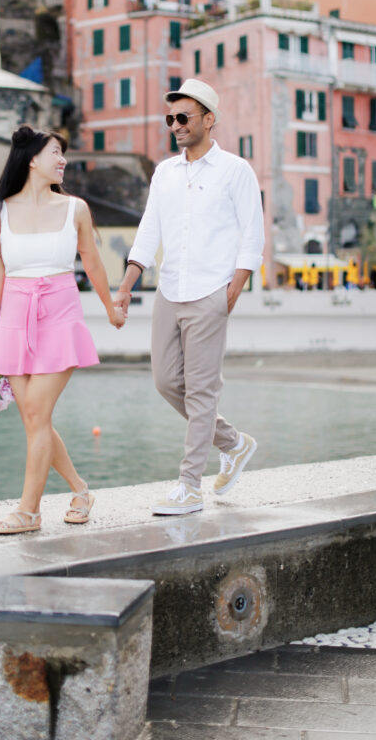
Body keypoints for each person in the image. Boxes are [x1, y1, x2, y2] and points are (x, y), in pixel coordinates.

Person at [115, 79, 264, 516]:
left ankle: (189, 486)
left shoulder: (236, 170)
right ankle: (233, 443)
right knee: (165, 381)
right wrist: (126, 284)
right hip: (170, 289)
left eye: (184, 117)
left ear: (208, 120)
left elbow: (251, 235)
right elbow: (148, 231)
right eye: (171, 119)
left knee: (201, 392)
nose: (176, 125)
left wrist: (232, 290)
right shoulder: (164, 172)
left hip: (211, 292)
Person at [0, 125, 125, 535]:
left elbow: (92, 262)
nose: (63, 160)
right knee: (33, 419)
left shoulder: (75, 208)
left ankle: (28, 512)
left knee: (38, 413)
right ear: (32, 159)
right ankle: (80, 490)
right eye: (56, 152)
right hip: (13, 321)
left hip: (60, 316)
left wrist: (110, 307)